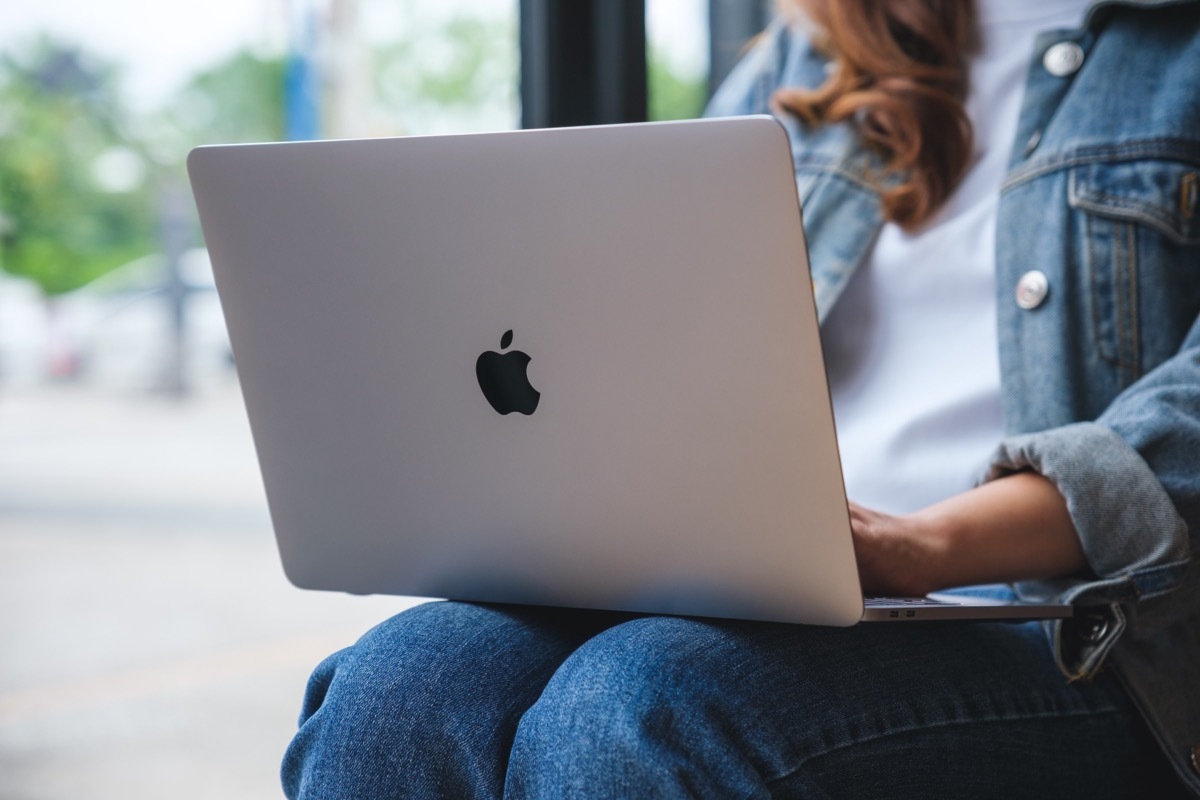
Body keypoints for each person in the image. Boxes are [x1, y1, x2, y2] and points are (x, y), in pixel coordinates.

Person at [281, 0, 1200, 797]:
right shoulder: (813, 49)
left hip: (1077, 623)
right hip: (777, 582)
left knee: (645, 708)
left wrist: (922, 545)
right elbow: (643, 307)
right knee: (399, 689)